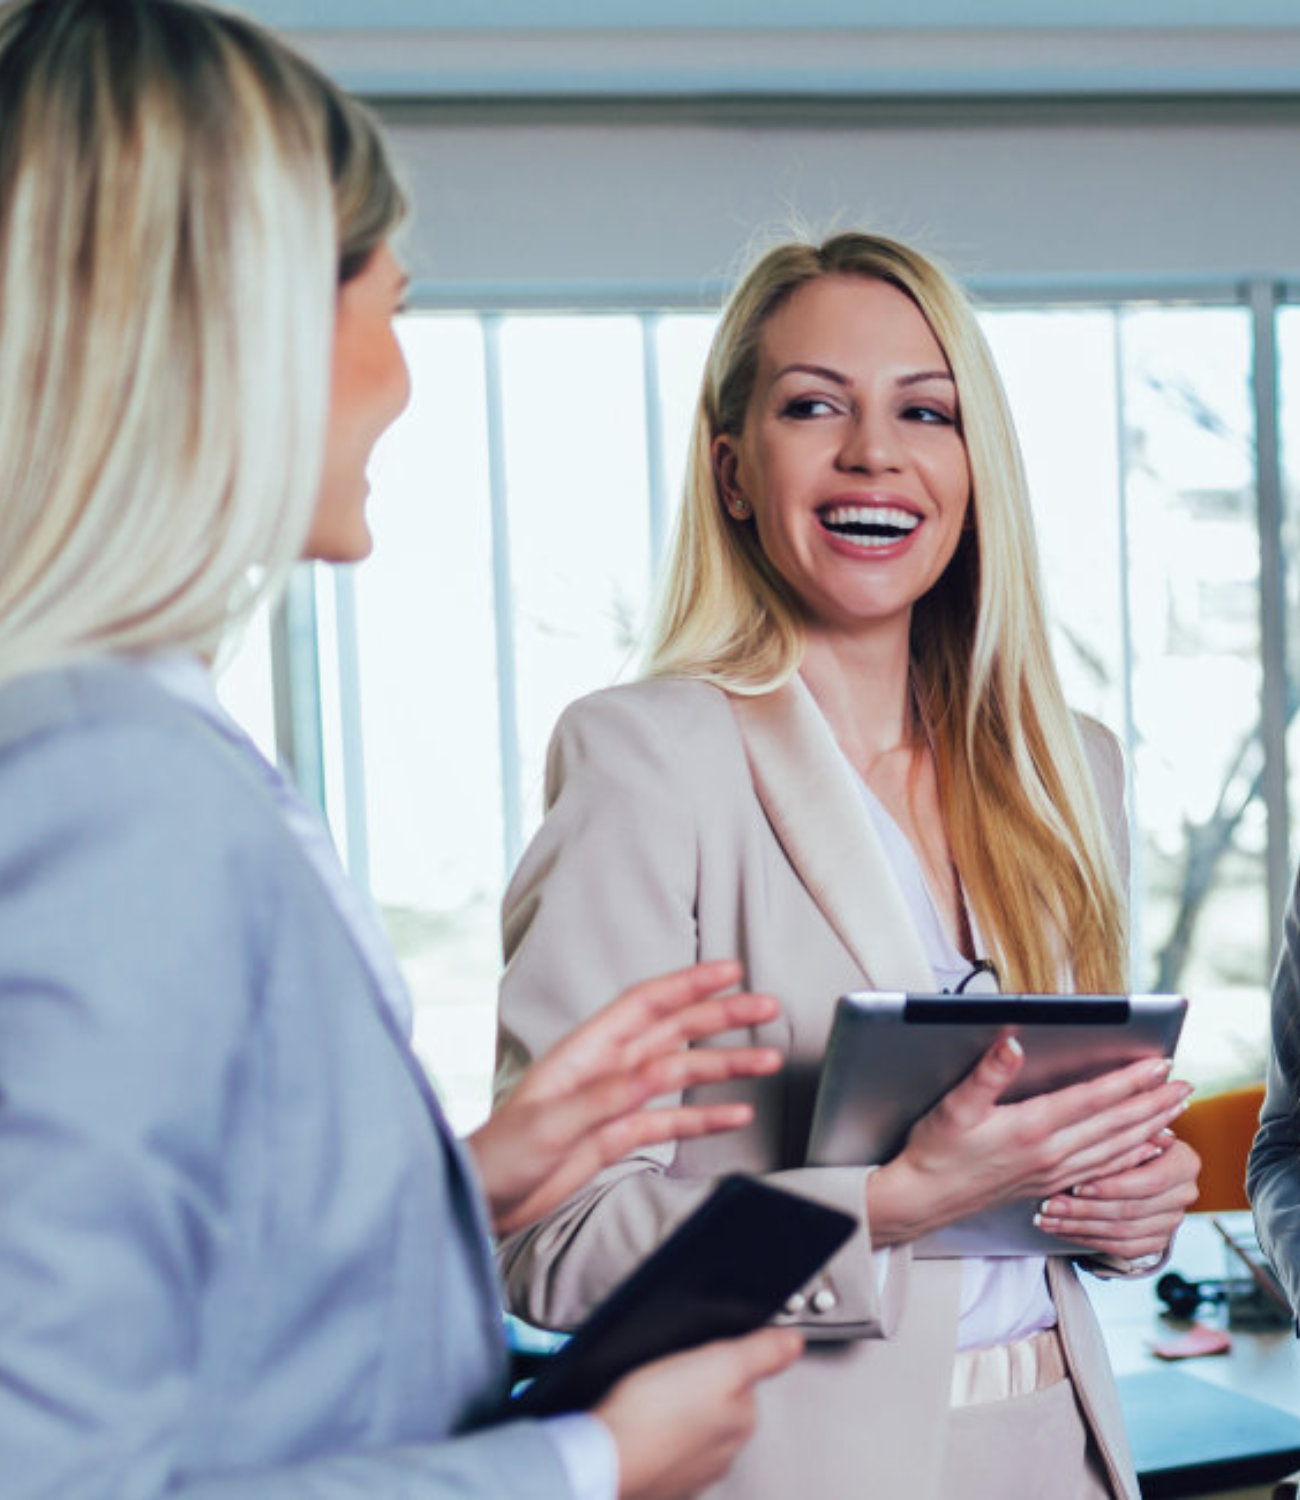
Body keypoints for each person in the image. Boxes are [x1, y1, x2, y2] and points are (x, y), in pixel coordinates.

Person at [0, 3, 807, 1497]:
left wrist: (464, 1176)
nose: (404, 378)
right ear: (250, 323)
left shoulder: (138, 742)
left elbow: (204, 1297)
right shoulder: (108, 790)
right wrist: (581, 1466)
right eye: (392, 306)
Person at [494, 231, 1201, 1499]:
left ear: (973, 467)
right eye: (813, 405)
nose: (873, 451)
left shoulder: (1068, 770)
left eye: (923, 411)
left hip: (1062, 1450)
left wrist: (1126, 1205)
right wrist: (886, 1203)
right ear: (732, 472)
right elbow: (553, 1247)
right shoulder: (649, 762)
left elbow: (1055, 1160)